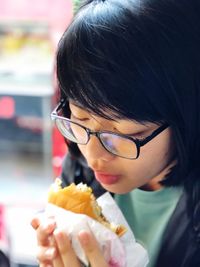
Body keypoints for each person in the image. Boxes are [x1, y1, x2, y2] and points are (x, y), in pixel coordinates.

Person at [31, 0, 200, 266]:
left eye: (123, 134)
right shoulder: (80, 160)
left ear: (186, 117)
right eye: (81, 116)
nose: (94, 157)